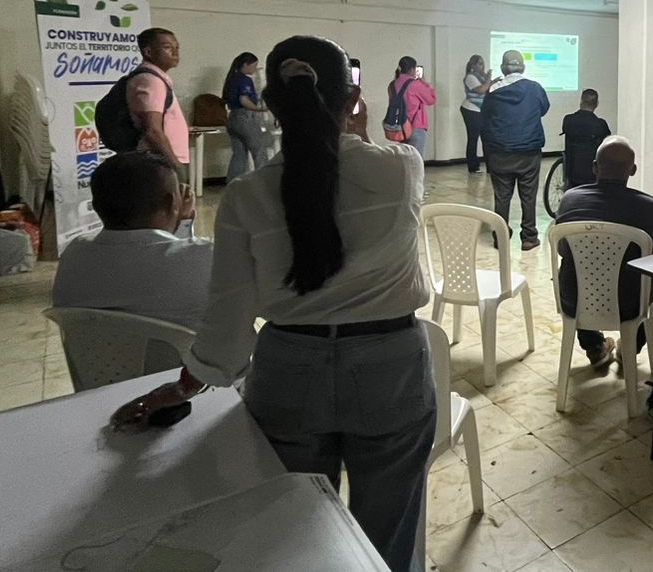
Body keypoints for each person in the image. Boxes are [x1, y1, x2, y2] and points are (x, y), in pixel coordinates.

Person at [110, 36, 434, 572]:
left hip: (288, 373)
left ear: (272, 107)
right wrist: (355, 129)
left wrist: (185, 385)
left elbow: (229, 316)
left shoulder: (244, 196)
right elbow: (355, 161)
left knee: (295, 533)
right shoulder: (402, 169)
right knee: (389, 531)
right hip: (390, 369)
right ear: (352, 101)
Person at [52, 151, 210, 329]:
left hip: (93, 348)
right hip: (181, 349)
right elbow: (180, 256)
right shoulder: (205, 257)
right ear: (171, 202)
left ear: (95, 206)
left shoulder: (74, 255)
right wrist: (183, 223)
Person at [555, 136, 653, 369]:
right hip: (629, 303)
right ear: (633, 170)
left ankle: (595, 348)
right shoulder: (649, 206)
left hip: (576, 300)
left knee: (573, 272)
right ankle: (630, 348)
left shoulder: (569, 200)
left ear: (595, 167)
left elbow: (562, 249)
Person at [481, 49, 551, 250]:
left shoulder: (492, 91)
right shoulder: (535, 88)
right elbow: (544, 109)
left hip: (499, 152)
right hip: (528, 150)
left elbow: (485, 116)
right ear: (523, 67)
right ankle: (529, 237)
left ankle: (500, 237)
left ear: (503, 68)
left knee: (502, 196)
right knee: (528, 196)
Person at [128, 28, 189, 170]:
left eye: (177, 47)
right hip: (159, 161)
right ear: (148, 52)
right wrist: (176, 165)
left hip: (160, 159)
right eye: (167, 47)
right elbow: (153, 131)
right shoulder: (151, 81)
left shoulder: (156, 78)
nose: (175, 52)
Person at [223, 52, 268, 181]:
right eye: (254, 65)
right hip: (245, 117)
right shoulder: (244, 80)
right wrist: (261, 109)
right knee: (259, 151)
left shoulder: (232, 79)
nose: (255, 69)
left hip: (232, 117)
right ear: (245, 65)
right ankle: (264, 182)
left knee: (239, 154)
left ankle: (233, 183)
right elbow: (244, 100)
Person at [386, 56, 437, 156]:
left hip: (400, 127)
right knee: (416, 159)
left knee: (405, 158)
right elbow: (431, 100)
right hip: (415, 126)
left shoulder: (392, 85)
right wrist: (425, 84)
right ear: (412, 69)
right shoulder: (416, 85)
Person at [560, 89, 611, 189]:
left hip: (571, 171)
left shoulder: (568, 120)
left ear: (581, 101)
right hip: (592, 174)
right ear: (596, 104)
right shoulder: (600, 124)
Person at [459, 54, 494, 173]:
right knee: (473, 138)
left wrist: (493, 82)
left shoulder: (482, 77)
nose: (482, 66)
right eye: (479, 64)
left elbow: (489, 89)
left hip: (482, 110)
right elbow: (481, 90)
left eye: (483, 63)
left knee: (487, 137)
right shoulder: (470, 76)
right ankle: (473, 166)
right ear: (473, 66)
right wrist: (489, 79)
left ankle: (491, 166)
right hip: (471, 109)